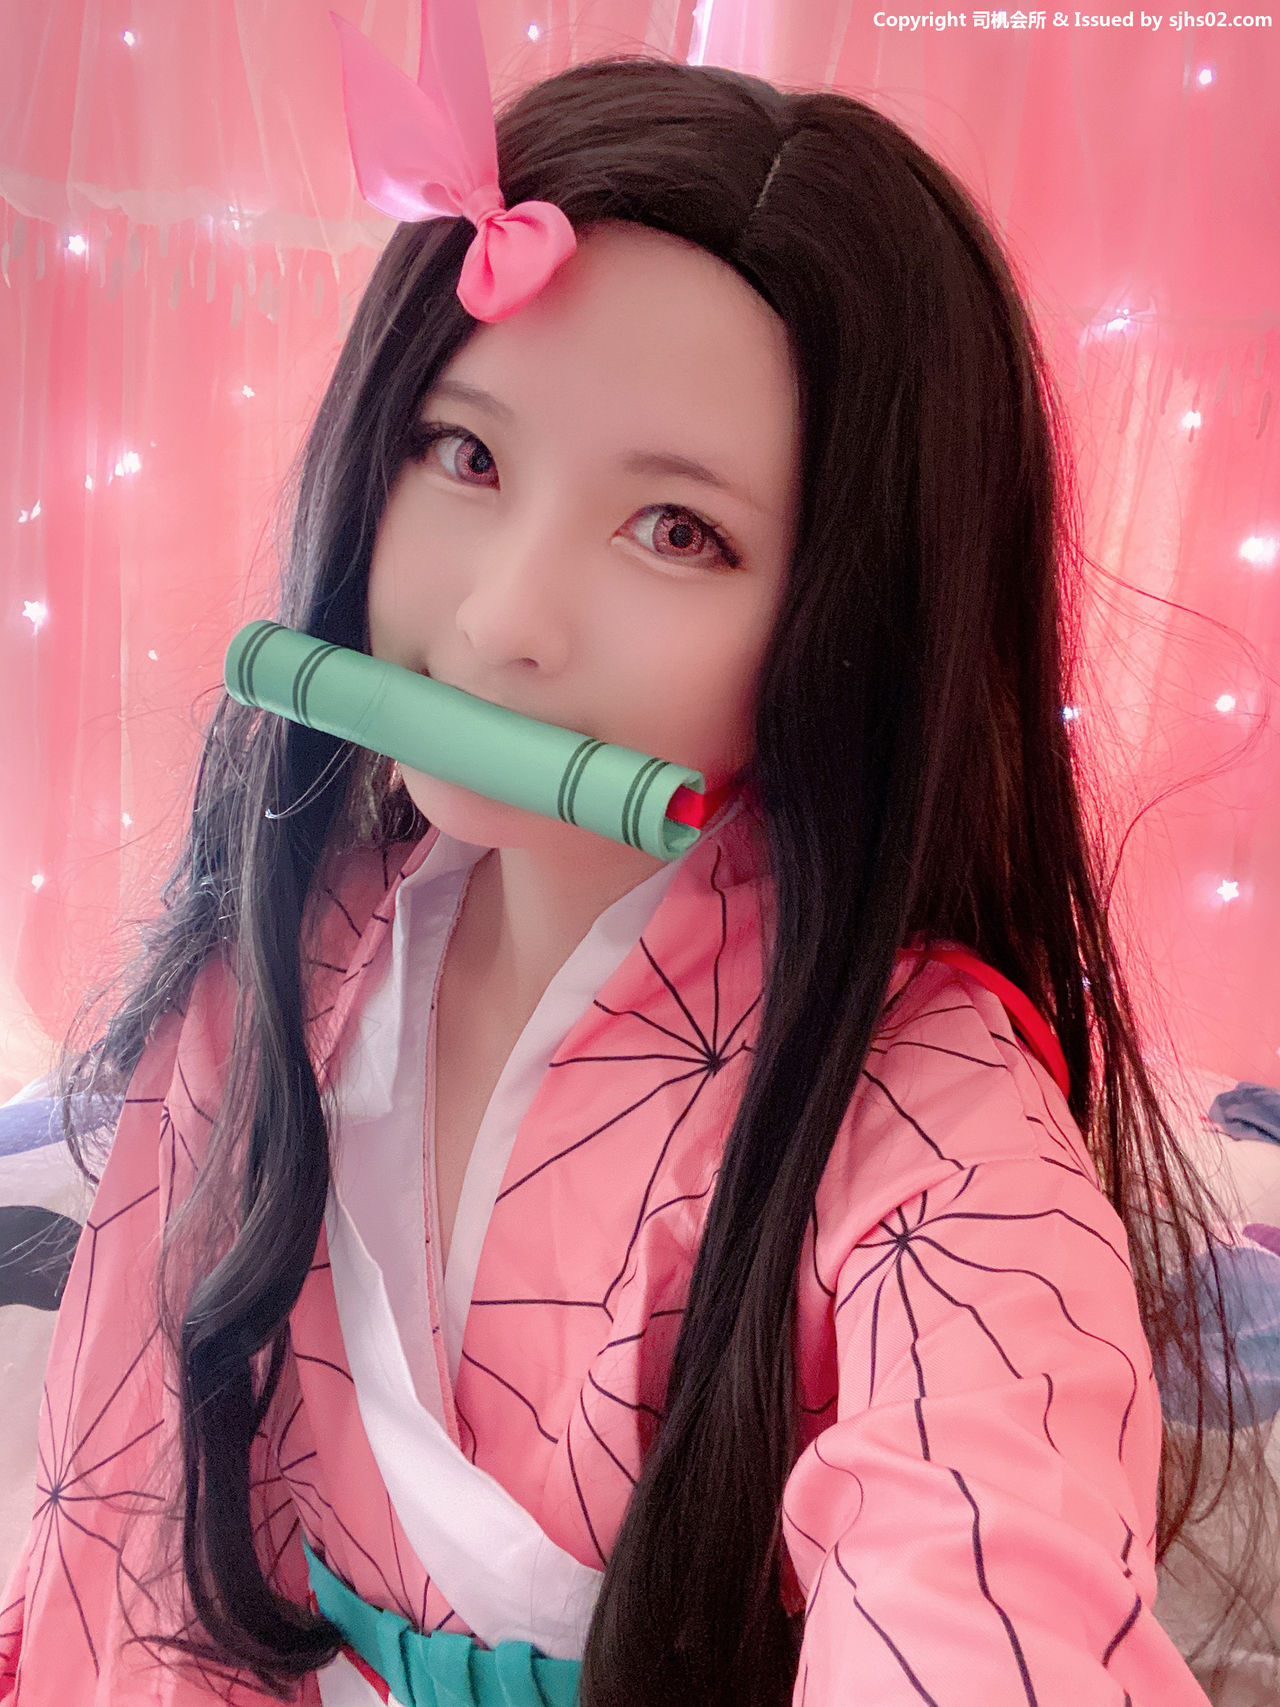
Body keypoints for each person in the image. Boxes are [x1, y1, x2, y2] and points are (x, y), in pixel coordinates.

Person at [2, 12, 1277, 1706]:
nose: (500, 619)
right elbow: (130, 1557)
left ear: (848, 620)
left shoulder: (940, 1133)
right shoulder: (268, 970)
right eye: (463, 453)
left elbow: (988, 1587)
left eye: (679, 530)